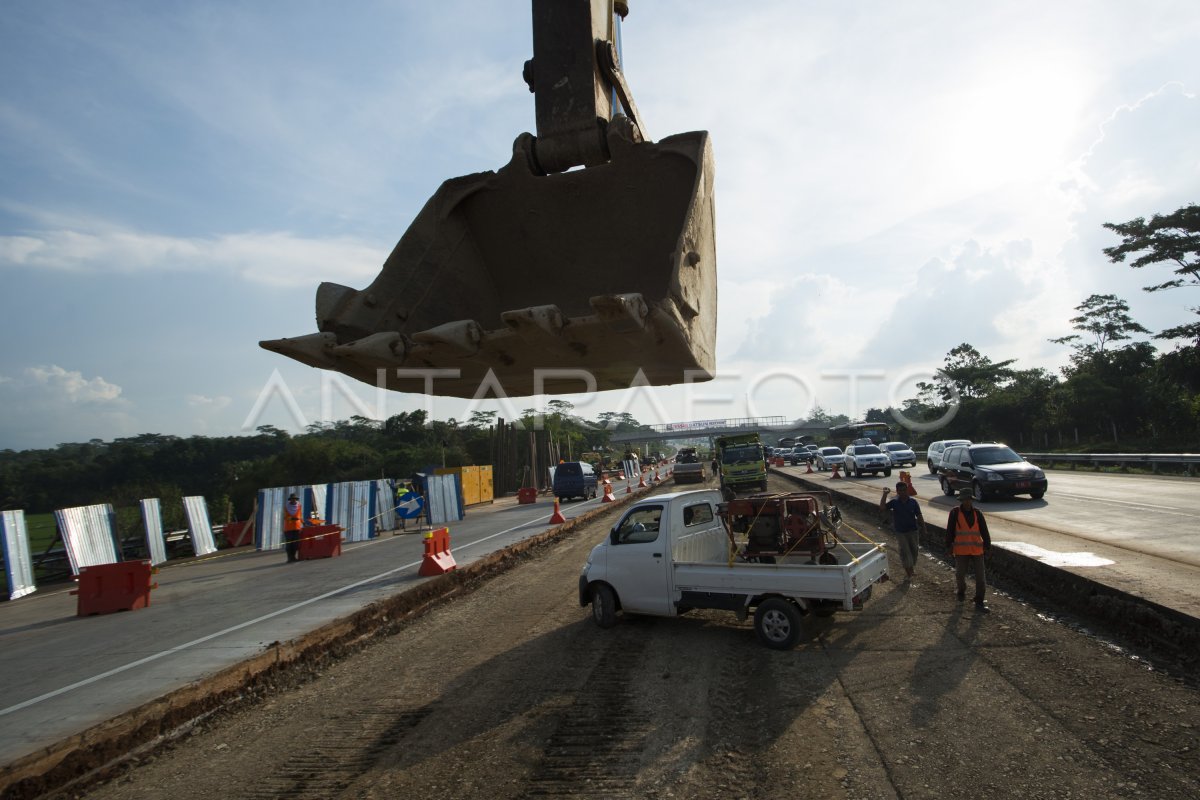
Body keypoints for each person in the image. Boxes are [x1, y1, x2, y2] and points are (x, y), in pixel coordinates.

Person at [945, 488, 992, 611]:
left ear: (971, 500)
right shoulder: (955, 513)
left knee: (981, 579)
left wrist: (987, 546)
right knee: (960, 575)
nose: (967, 502)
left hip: (977, 550)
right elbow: (949, 531)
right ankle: (961, 591)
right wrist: (948, 546)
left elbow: (984, 531)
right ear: (961, 500)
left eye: (969, 499)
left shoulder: (978, 513)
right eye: (965, 499)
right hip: (961, 550)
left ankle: (979, 601)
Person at [880, 481, 927, 582]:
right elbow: (882, 507)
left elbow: (919, 515)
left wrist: (923, 528)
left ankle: (911, 569)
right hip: (901, 532)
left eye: (904, 490)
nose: (902, 492)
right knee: (905, 552)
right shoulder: (894, 502)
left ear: (907, 490)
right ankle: (909, 573)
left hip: (913, 531)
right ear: (897, 491)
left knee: (914, 552)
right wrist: (884, 494)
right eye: (900, 490)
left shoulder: (913, 502)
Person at [283, 493, 303, 563]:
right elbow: (285, 517)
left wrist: (303, 522)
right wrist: (292, 518)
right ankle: (289, 558)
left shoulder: (299, 506)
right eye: (292, 499)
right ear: (290, 500)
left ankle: (293, 557)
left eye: (294, 499)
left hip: (297, 528)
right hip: (288, 528)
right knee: (289, 544)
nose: (293, 500)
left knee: (295, 544)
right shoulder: (286, 507)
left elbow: (300, 515)